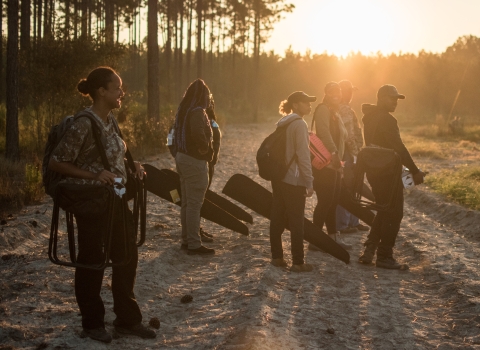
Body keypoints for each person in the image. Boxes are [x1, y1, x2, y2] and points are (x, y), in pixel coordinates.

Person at [48, 67, 156, 343]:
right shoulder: (84, 123)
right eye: (117, 88)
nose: (122, 93)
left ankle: (128, 320)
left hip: (116, 193)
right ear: (101, 91)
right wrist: (94, 175)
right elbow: (57, 161)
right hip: (92, 199)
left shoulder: (111, 121)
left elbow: (113, 156)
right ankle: (93, 323)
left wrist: (133, 166)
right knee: (92, 260)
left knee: (127, 255)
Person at [359, 84, 426, 269]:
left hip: (373, 171)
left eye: (397, 98)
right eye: (392, 98)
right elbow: (398, 147)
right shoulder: (387, 120)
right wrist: (414, 171)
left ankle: (370, 249)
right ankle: (384, 256)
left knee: (384, 209)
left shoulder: (369, 117)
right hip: (387, 172)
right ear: (380, 98)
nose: (395, 102)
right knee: (395, 213)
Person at [270, 91, 315, 272]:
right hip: (293, 179)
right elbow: (303, 156)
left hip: (279, 176)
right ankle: (298, 262)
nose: (309, 105)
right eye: (305, 102)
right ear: (295, 105)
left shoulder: (283, 123)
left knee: (277, 216)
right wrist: (309, 181)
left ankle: (277, 257)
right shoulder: (299, 124)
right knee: (297, 221)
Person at [174, 79, 215, 255]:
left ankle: (186, 239)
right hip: (194, 161)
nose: (208, 98)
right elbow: (198, 134)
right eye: (206, 95)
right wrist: (206, 151)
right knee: (194, 204)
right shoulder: (198, 112)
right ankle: (194, 243)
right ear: (201, 96)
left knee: (186, 203)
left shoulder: (183, 111)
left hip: (182, 158)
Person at [309, 82, 351, 250]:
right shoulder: (323, 109)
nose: (336, 95)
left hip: (334, 163)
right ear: (326, 93)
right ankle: (315, 240)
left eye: (338, 92)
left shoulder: (335, 111)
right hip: (325, 163)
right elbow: (324, 132)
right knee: (325, 202)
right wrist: (334, 153)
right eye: (332, 92)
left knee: (332, 201)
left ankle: (333, 237)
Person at [336, 80, 369, 234]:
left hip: (347, 152)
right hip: (349, 153)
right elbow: (349, 135)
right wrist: (356, 154)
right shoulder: (344, 110)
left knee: (352, 186)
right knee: (349, 187)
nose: (350, 94)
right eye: (347, 91)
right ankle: (344, 224)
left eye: (351, 91)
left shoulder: (341, 109)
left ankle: (352, 222)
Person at [198, 99, 222, 243]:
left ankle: (196, 229)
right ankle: (195, 230)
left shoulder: (211, 121)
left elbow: (216, 142)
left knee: (201, 197)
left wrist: (213, 160)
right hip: (201, 163)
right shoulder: (195, 118)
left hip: (209, 163)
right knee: (198, 198)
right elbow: (171, 137)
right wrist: (174, 151)